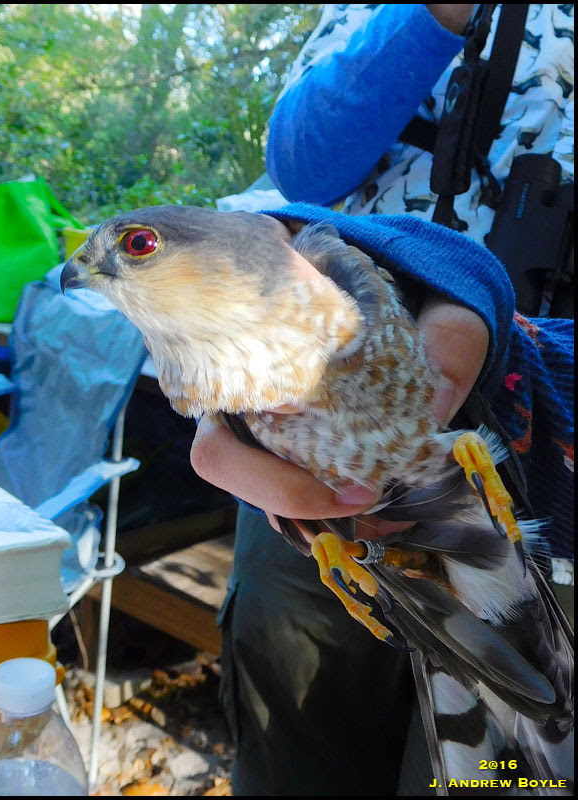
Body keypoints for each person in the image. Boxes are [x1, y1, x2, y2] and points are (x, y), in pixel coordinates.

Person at [191, 5, 574, 796]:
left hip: (547, 475)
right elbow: (302, 161)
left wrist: (522, 360)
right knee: (296, 743)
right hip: (306, 444)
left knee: (499, 770)